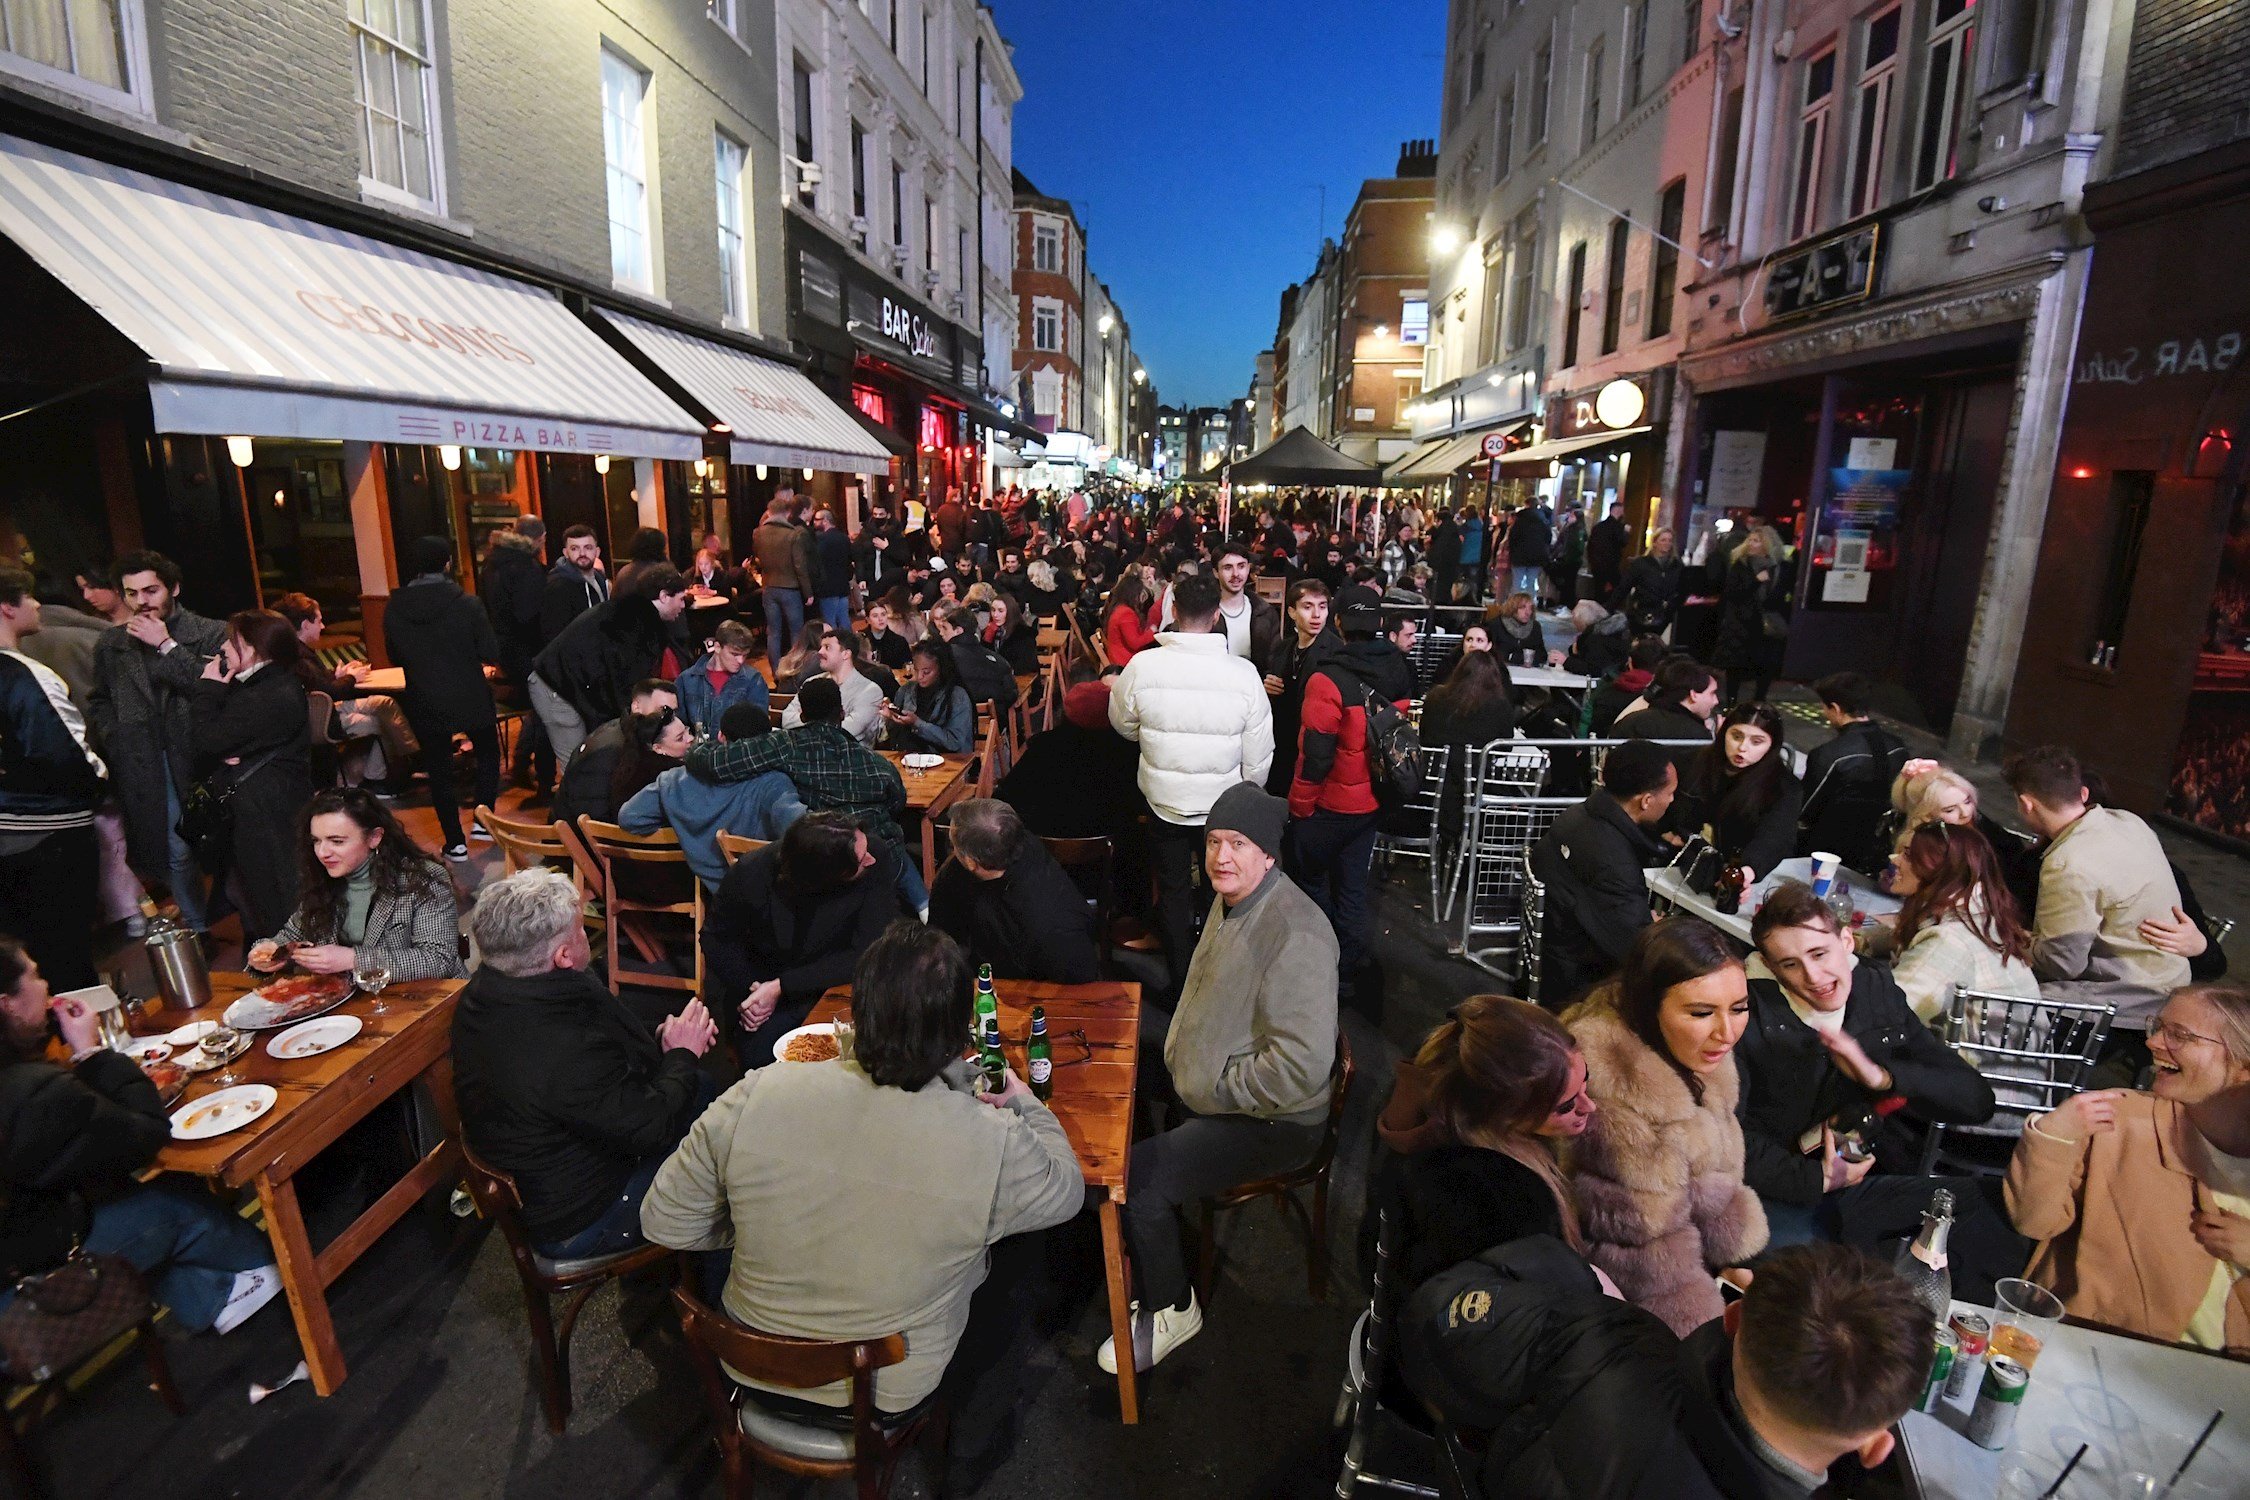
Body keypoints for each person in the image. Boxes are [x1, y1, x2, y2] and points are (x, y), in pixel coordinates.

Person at [642, 921, 1082, 1490]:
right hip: (883, 1388)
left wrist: (762, 1219)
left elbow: (663, 1217)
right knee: (1011, 1265)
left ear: (857, 1013)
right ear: (959, 1034)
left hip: (747, 1363)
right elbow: (1067, 1191)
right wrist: (1022, 1099)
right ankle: (973, 1448)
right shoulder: (990, 1140)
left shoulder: (758, 1090)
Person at [1403, 1238, 1936, 1500]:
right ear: (1876, 1447)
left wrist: (1581, 1279)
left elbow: (1436, 1313)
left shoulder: (1617, 1339)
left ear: (1732, 1316)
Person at [1102, 784, 1337, 1374]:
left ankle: (1173, 1307)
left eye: (1238, 843)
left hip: (1277, 1121)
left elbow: (1299, 1066)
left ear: (1268, 855)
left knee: (1143, 1181)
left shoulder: (1298, 936)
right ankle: (1123, 1225)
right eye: (1213, 842)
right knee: (1114, 1060)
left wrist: (1214, 1087)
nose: (1221, 857)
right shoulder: (1232, 899)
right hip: (1209, 1066)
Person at [0, 938, 281, 1334]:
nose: (46, 987)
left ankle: (215, 1299)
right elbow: (146, 1133)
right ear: (7, 1003)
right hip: (30, 1283)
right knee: (175, 1195)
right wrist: (90, 1052)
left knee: (121, 1190)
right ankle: (279, 1268)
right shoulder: (32, 1092)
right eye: (35, 975)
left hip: (25, 1245)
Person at [452, 869, 716, 1259]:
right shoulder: (562, 1048)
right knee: (729, 1154)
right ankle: (720, 1290)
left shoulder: (487, 992)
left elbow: (597, 1056)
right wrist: (682, 1053)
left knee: (706, 1090)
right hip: (584, 1217)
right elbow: (652, 1128)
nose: (585, 938)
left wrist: (659, 1039)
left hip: (551, 1170)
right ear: (562, 956)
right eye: (579, 931)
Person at [1737, 882, 1998, 1246]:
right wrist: (1817, 1180)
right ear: (1769, 966)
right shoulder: (1747, 1014)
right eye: (1791, 964)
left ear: (1846, 941)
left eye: (1820, 954)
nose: (1814, 977)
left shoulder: (1874, 990)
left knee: (1981, 1215)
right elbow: (1723, 1133)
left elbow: (1976, 1100)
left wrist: (1883, 1078)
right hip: (1779, 1188)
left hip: (1868, 1177)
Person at [2006, 982, 2250, 1352]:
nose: (2152, 1043)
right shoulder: (2118, 1118)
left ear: (2243, 1067)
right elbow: (2034, 1221)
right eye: (2157, 1027)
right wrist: (2052, 1136)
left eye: (2179, 1035)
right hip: (2100, 1351)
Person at [1561, 919, 1767, 1335]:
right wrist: (1714, 1350)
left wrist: (1742, 1264)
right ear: (1649, 1005)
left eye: (1740, 1008)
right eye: (1701, 1012)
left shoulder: (1693, 1051)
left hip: (1701, 1256)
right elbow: (1655, 1273)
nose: (1727, 1033)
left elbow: (1709, 1182)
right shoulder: (1611, 1096)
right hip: (1624, 1310)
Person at [1106, 572, 1275, 991]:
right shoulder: (1244, 674)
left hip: (1164, 800)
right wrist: (1246, 798)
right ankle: (1217, 977)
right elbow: (1259, 753)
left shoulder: (1144, 665)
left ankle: (1182, 980)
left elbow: (1121, 723)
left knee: (1174, 889)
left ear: (1173, 611)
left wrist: (1152, 739)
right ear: (1217, 615)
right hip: (1221, 805)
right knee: (1221, 888)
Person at [1370, 996, 1600, 1292]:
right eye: (1566, 1106)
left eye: (1586, 1079)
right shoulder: (1503, 1205)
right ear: (1504, 1115)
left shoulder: (1448, 1078)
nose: (1589, 1106)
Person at [88, 550, 229, 932]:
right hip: (147, 759)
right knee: (175, 851)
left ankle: (241, 919)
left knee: (223, 844)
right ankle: (199, 929)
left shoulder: (211, 632)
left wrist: (167, 645)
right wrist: (114, 735)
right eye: (131, 593)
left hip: (203, 755)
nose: (141, 601)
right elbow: (99, 698)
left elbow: (214, 688)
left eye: (150, 590)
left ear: (174, 588)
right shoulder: (112, 644)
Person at [701, 811, 913, 1059]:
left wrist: (784, 985)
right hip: (768, 987)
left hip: (841, 981)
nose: (870, 860)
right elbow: (716, 939)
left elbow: (870, 948)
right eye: (860, 860)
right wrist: (753, 991)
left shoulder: (873, 855)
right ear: (829, 874)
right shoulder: (753, 874)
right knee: (764, 1060)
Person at [2006, 743, 2188, 1028]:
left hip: (2126, 1000)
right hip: (2170, 983)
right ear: (2082, 793)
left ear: (2027, 804)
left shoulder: (2069, 862)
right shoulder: (2129, 822)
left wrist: (2010, 933)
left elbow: (2061, 964)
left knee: (1992, 995)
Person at [1288, 598, 1415, 993]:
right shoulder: (1397, 666)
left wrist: (1299, 806)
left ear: (1339, 622)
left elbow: (1317, 755)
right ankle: (1348, 967)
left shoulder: (1328, 679)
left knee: (1306, 877)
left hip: (1331, 804)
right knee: (1353, 886)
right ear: (1379, 623)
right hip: (1373, 801)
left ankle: (1318, 960)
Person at [0, 564, 105, 991]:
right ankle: (92, 1048)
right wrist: (99, 787)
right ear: (6, 607)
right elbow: (65, 758)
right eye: (27, 596)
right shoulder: (23, 675)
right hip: (48, 836)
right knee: (68, 955)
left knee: (25, 963)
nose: (38, 603)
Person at [247, 787, 465, 982]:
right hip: (360, 1006)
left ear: (374, 838)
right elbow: (292, 935)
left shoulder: (422, 878)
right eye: (316, 841)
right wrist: (267, 952)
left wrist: (353, 959)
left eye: (337, 841)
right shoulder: (323, 880)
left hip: (429, 1003)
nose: (322, 852)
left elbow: (438, 960)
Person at [188, 609, 313, 941]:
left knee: (276, 890)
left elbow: (206, 739)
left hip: (266, 809)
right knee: (266, 889)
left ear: (254, 647)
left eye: (231, 642)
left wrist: (208, 689)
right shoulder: (270, 684)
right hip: (268, 803)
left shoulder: (269, 692)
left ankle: (291, 961)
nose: (223, 650)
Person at [685, 676, 912, 853]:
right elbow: (897, 801)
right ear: (842, 714)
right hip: (879, 853)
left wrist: (696, 746)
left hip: (824, 857)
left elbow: (714, 762)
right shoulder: (875, 762)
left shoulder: (784, 745)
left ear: (802, 715)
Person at [383, 536, 504, 860]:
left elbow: (394, 655)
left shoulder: (395, 606)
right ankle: (482, 817)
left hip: (423, 695)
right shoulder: (467, 604)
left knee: (438, 769)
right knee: (489, 752)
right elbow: (490, 651)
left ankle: (455, 842)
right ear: (447, 563)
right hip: (469, 691)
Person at [1531, 740, 1677, 1008]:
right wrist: (1656, 927)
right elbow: (1635, 948)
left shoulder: (1579, 814)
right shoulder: (1613, 861)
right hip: (1576, 977)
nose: (1671, 800)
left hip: (1553, 948)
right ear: (1646, 800)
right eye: (1670, 793)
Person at [619, 701, 803, 890]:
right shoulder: (774, 783)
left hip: (707, 891)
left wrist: (683, 832)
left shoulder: (673, 781)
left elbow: (629, 817)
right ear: (767, 743)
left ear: (721, 737)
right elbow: (802, 836)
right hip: (764, 891)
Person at [1872, 820, 2041, 1022]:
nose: (1895, 860)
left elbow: (1888, 1012)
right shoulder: (1975, 909)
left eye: (1908, 855)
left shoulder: (1950, 940)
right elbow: (1902, 936)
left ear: (1939, 870)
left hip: (1971, 1053)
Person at [530, 566, 691, 776]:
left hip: (569, 683)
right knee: (580, 764)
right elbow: (621, 682)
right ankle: (578, 807)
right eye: (680, 598)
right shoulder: (633, 627)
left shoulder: (631, 615)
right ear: (663, 596)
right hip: (557, 688)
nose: (683, 605)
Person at [928, 798, 1099, 983]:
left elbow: (1082, 976)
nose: (952, 851)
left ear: (971, 862)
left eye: (954, 845)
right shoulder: (1014, 841)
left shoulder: (1044, 923)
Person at [997, 678, 1149, 842]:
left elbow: (1008, 796)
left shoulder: (1044, 748)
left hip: (1046, 846)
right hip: (1111, 847)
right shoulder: (1128, 751)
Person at [1666, 703, 1801, 884]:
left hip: (1734, 870)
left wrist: (1746, 871)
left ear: (1772, 745)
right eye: (1736, 736)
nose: (1742, 748)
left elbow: (1775, 837)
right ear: (1724, 733)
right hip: (1676, 860)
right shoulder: (1690, 762)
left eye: (1757, 742)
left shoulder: (1784, 786)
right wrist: (1665, 830)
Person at [1795, 672, 1907, 875]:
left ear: (1835, 708)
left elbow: (1805, 810)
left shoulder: (1828, 755)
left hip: (1827, 853)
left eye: (1824, 707)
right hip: (1879, 852)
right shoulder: (1898, 747)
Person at [479, 517, 553, 796]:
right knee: (546, 708)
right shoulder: (527, 567)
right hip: (529, 651)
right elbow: (530, 616)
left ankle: (520, 765)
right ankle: (544, 781)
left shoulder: (492, 563)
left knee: (538, 708)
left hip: (503, 651)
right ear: (541, 538)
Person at [549, 678, 676, 831]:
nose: (671, 720)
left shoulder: (628, 735)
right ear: (636, 707)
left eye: (674, 712)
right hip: (578, 846)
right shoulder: (608, 751)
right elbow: (594, 820)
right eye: (664, 711)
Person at [1260, 578, 1340, 795]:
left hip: (1314, 750)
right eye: (1308, 607)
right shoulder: (1283, 648)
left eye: (1322, 607)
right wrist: (1266, 686)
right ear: (1292, 612)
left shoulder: (1335, 651)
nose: (1316, 615)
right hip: (1282, 747)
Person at [1713, 527, 1788, 705]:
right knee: (1736, 665)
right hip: (1741, 622)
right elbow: (1732, 593)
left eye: (1757, 541)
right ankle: (1731, 702)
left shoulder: (1778, 568)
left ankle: (1759, 700)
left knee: (1765, 664)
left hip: (1766, 623)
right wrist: (1755, 582)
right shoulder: (1741, 565)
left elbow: (1781, 595)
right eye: (1751, 540)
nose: (1752, 544)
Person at [780, 623, 885, 747]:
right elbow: (786, 719)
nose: (820, 652)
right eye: (820, 647)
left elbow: (848, 731)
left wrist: (806, 722)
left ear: (846, 654)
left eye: (827, 647)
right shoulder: (812, 683)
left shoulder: (870, 691)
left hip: (851, 760)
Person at [751, 490, 817, 671]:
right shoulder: (793, 534)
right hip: (791, 588)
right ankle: (794, 669)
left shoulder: (758, 534)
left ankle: (774, 671)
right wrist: (808, 592)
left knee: (773, 632)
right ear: (787, 513)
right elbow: (799, 566)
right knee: (796, 632)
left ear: (769, 512)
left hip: (769, 587)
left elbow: (757, 558)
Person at [673, 618, 769, 736]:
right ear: (717, 647)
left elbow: (757, 728)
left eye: (745, 655)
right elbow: (678, 725)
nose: (740, 661)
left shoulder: (753, 680)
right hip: (697, 751)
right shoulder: (686, 680)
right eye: (735, 654)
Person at [881, 637, 976, 754]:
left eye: (926, 672)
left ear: (941, 668)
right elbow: (895, 739)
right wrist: (891, 718)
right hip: (911, 759)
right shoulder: (906, 691)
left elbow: (954, 742)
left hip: (949, 762)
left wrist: (917, 723)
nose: (920, 676)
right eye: (916, 670)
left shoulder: (956, 696)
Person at [1612, 657, 1718, 758]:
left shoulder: (1631, 720)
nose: (1716, 701)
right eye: (1712, 693)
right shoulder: (1698, 736)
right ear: (1694, 695)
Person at [607, 704, 695, 820]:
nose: (690, 738)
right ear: (658, 748)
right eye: (680, 738)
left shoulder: (629, 763)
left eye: (687, 731)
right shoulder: (674, 776)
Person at [930, 601, 1019, 709]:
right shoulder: (997, 660)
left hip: (953, 720)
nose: (940, 633)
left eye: (945, 628)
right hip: (993, 720)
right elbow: (1011, 694)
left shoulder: (941, 658)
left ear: (958, 631)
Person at [1208, 541, 1282, 664]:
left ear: (1248, 568)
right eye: (1228, 568)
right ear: (1216, 573)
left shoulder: (1265, 612)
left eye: (1241, 566)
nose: (1236, 574)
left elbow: (1275, 658)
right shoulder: (1204, 613)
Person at [539, 524, 609, 645]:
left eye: (588, 547)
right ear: (566, 553)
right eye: (574, 548)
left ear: (597, 551)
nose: (582, 553)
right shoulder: (558, 586)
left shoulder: (600, 579)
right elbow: (555, 635)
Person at [1612, 526, 1683, 636]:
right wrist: (1609, 607)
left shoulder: (1677, 566)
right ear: (1655, 542)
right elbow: (1624, 587)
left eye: (1669, 540)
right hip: (1642, 613)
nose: (1667, 543)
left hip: (1665, 616)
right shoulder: (1641, 564)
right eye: (1663, 540)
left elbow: (1680, 590)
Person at [1103, 570, 1158, 667]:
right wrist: (1151, 631)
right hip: (1124, 661)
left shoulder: (1118, 608)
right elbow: (1135, 643)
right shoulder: (1126, 614)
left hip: (1117, 656)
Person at [1485, 592, 1547, 668]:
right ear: (1513, 608)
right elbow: (1489, 652)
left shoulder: (1535, 627)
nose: (1528, 612)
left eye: (1530, 608)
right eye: (1522, 607)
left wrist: (1515, 657)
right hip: (1500, 669)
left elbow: (1542, 655)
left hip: (1529, 673)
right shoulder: (1496, 625)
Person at [1585, 500, 1627, 604]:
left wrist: (1592, 562)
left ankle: (1597, 612)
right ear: (1617, 511)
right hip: (1611, 565)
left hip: (1596, 564)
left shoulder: (1598, 527)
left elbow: (1590, 546)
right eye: (1622, 510)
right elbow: (1622, 542)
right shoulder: (1618, 527)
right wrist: (1626, 532)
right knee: (1617, 589)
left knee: (1598, 590)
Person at [1505, 503, 1550, 601]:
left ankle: (1515, 606)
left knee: (1517, 582)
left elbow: (1512, 538)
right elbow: (1548, 538)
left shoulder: (1520, 521)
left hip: (1519, 556)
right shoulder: (1543, 521)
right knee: (1531, 583)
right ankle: (1529, 605)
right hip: (1536, 557)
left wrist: (1513, 552)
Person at [862, 597, 912, 672]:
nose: (880, 619)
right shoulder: (860, 639)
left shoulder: (899, 641)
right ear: (868, 620)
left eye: (883, 614)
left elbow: (908, 668)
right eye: (875, 616)